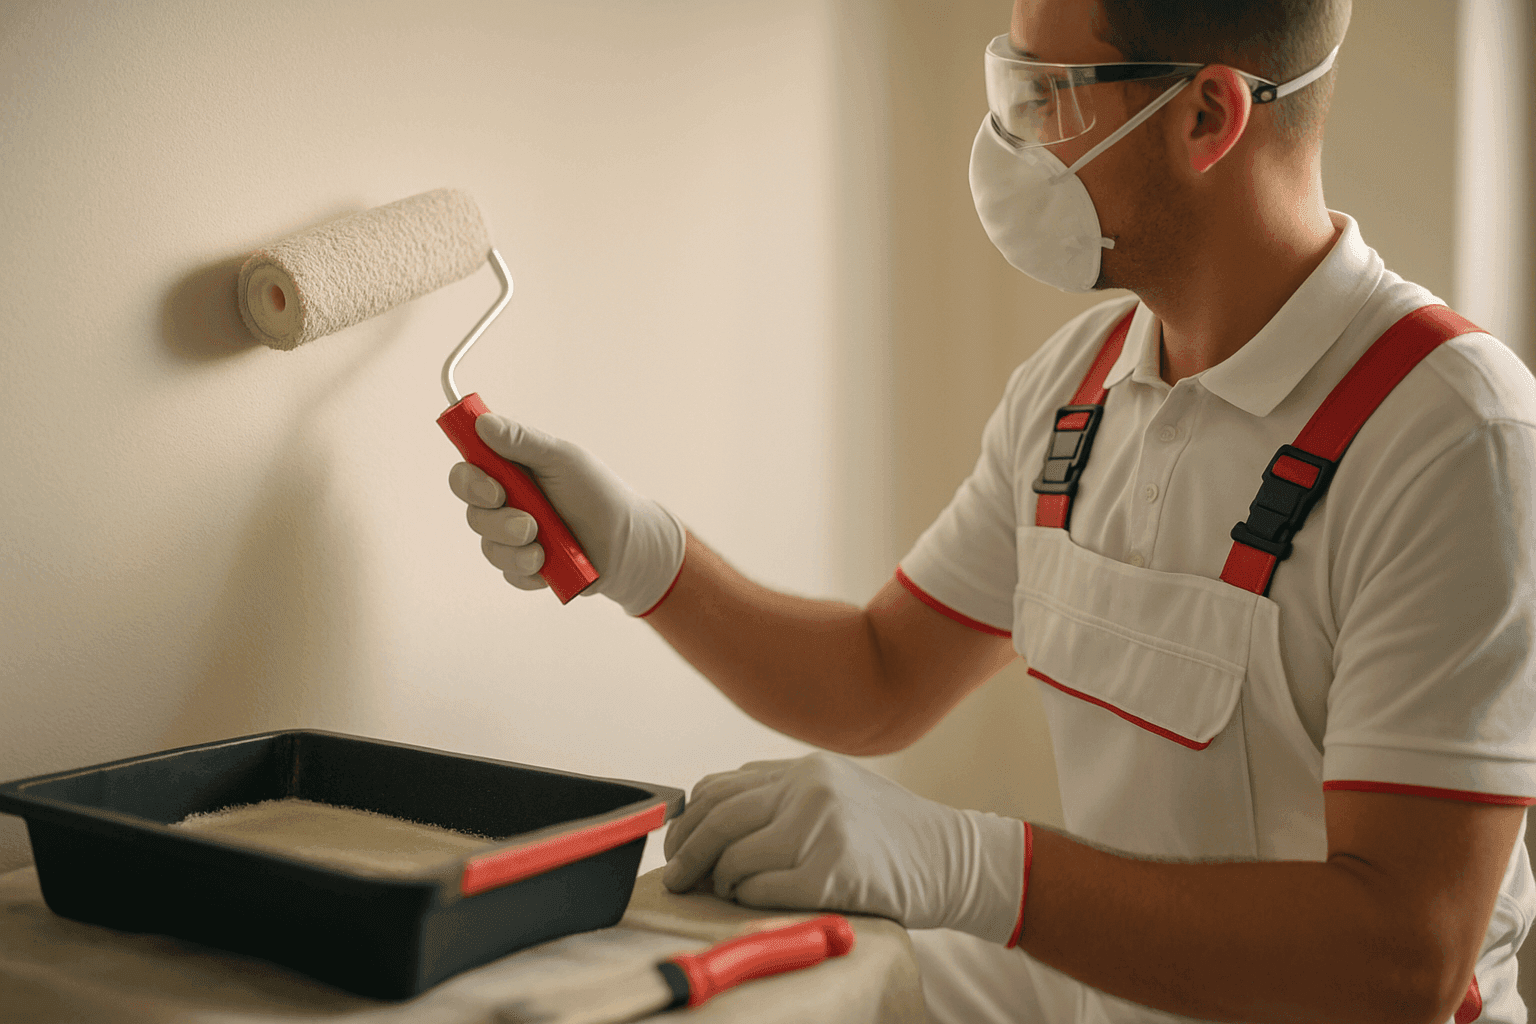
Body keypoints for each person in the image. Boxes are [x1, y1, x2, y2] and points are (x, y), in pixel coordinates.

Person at [448, 0, 1536, 1020]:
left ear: (1207, 116)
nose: (1011, 141)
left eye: (1048, 95)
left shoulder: (1451, 435)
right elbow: (880, 678)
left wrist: (975, 868)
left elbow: (1404, 956)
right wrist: (646, 558)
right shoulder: (1078, 390)